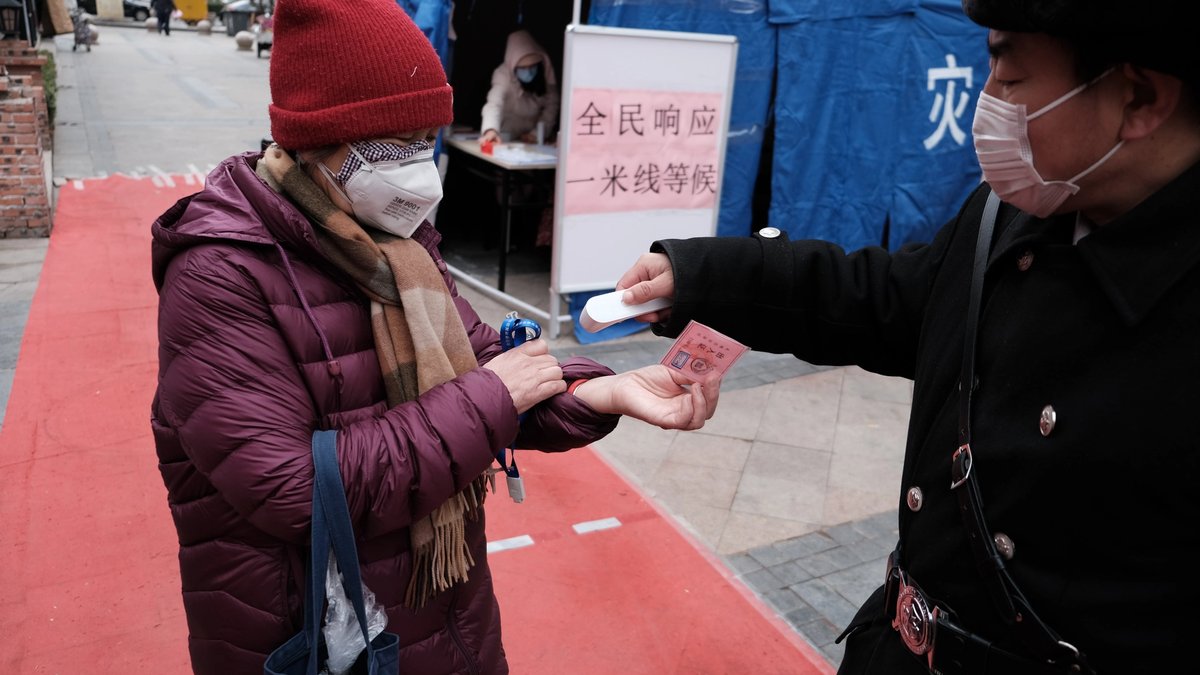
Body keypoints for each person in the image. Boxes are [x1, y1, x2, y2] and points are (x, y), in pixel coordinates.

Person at [614, 1, 1199, 673]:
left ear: (1141, 97)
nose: (987, 103)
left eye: (1009, 79)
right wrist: (699, 277)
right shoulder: (1015, 213)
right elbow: (889, 297)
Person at [148, 0, 718, 672]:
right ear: (318, 141)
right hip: (320, 635)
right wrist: (489, 396)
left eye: (428, 141)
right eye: (396, 146)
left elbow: (481, 362)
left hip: (446, 615)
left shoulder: (401, 243)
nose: (421, 167)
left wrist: (603, 392)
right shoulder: (219, 273)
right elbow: (291, 489)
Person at [479, 29, 559, 147]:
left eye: (532, 67)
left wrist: (536, 134)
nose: (528, 72)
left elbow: (552, 106)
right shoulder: (503, 75)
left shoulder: (545, 75)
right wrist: (490, 130)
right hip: (504, 135)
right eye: (523, 68)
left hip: (531, 140)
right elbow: (494, 104)